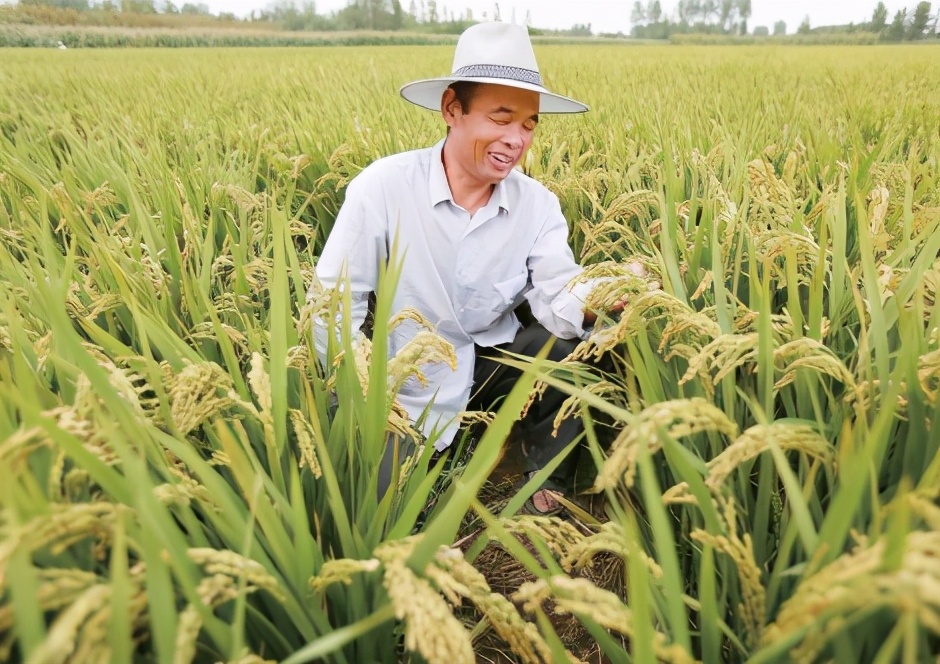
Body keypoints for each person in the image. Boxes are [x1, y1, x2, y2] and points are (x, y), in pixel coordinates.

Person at [311, 21, 627, 513]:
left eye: (528, 124)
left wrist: (604, 300)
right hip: (405, 378)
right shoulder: (384, 187)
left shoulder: (538, 205)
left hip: (488, 365)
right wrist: (366, 391)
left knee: (567, 349)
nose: (516, 140)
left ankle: (546, 482)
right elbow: (332, 305)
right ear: (452, 108)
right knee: (374, 502)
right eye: (501, 119)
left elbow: (558, 292)